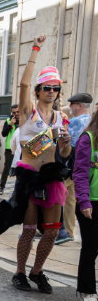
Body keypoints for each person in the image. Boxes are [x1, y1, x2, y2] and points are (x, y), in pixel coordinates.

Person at [0, 35, 72, 294]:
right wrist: (35, 48)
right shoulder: (28, 113)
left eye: (55, 88)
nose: (51, 92)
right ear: (38, 91)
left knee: (52, 232)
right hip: (29, 176)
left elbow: (64, 152)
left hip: (52, 178)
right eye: (46, 87)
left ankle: (38, 271)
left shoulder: (61, 117)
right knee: (29, 228)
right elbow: (24, 83)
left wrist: (66, 143)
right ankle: (20, 272)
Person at [72, 104, 98, 301]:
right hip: (91, 202)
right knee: (91, 247)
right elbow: (79, 172)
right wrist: (84, 200)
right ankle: (87, 290)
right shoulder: (88, 138)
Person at [60, 92, 93, 243]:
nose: (70, 107)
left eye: (72, 104)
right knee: (72, 199)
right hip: (87, 167)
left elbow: (65, 146)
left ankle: (64, 231)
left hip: (71, 166)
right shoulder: (92, 122)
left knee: (65, 198)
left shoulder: (74, 123)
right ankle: (69, 230)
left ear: (79, 105)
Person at [0, 104, 19, 195]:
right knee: (7, 168)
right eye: (14, 112)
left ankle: (18, 189)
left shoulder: (25, 120)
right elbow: (3, 134)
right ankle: (1, 187)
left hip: (21, 149)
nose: (16, 114)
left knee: (20, 169)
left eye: (18, 112)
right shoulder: (8, 120)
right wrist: (10, 124)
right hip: (9, 149)